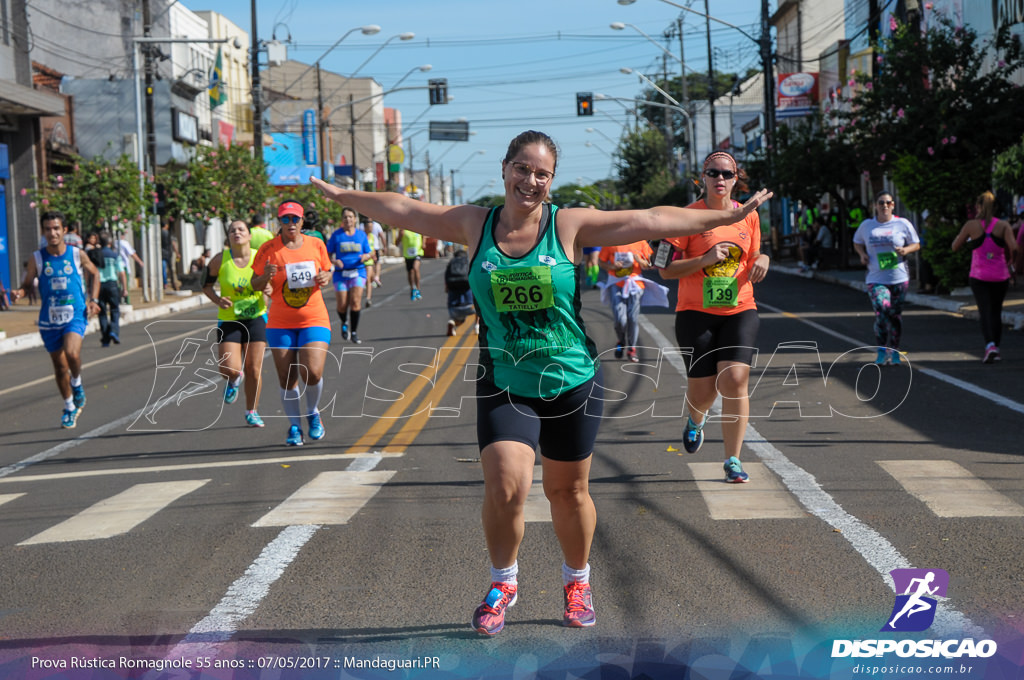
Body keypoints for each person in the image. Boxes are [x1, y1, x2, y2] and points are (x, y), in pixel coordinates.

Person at [312, 130, 771, 637]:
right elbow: (404, 208)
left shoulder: (567, 224)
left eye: (542, 174)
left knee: (567, 492)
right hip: (505, 378)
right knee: (507, 486)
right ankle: (503, 582)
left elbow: (651, 219)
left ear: (551, 182)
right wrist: (343, 195)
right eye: (522, 169)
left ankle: (578, 581)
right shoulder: (475, 223)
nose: (530, 181)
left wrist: (724, 217)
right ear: (505, 169)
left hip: (570, 380)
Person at [657, 151, 770, 485]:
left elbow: (752, 255)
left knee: (735, 380)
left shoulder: (748, 215)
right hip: (695, 314)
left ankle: (732, 459)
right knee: (704, 391)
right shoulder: (686, 217)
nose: (720, 179)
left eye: (726, 173)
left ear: (736, 179)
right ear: (702, 178)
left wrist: (762, 258)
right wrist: (704, 259)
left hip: (740, 308)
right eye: (713, 172)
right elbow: (664, 269)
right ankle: (695, 419)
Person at [250, 200, 333, 446]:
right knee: (287, 377)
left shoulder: (316, 244)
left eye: (294, 219)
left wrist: (326, 276)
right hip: (280, 322)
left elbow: (327, 270)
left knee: (313, 373)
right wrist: (266, 274)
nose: (290, 224)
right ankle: (295, 426)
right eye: (285, 219)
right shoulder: (268, 249)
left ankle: (313, 413)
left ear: (302, 221)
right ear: (279, 222)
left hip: (314, 318)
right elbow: (254, 284)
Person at [12, 211, 101, 428]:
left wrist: (94, 299)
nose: (52, 233)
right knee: (60, 368)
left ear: (63, 230)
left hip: (75, 314)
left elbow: (95, 274)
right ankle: (69, 406)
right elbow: (26, 285)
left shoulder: (77, 254)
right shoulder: (37, 258)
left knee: (72, 353)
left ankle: (77, 384)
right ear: (43, 232)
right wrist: (19, 294)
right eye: (48, 229)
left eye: (56, 228)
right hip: (49, 319)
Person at [202, 219, 269, 427]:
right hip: (230, 319)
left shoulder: (261, 257)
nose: (237, 233)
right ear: (228, 237)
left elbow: (275, 282)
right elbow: (206, 285)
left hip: (256, 316)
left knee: (253, 369)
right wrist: (217, 299)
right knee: (229, 369)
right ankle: (233, 381)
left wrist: (270, 290)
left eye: (241, 230)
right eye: (232, 231)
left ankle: (252, 411)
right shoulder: (220, 260)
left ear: (249, 235)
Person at [852, 191, 921, 365]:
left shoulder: (902, 223)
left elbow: (916, 244)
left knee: (895, 316)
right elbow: (857, 242)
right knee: (883, 309)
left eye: (888, 203)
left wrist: (906, 250)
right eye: (881, 203)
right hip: (876, 278)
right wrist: (861, 254)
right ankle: (882, 351)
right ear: (875, 205)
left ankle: (895, 351)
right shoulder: (867, 225)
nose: (885, 206)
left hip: (898, 277)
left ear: (893, 205)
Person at [952, 191, 1017, 363]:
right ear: (995, 207)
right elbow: (1014, 247)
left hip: (979, 275)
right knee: (996, 311)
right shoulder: (1003, 226)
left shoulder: (971, 225)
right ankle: (996, 346)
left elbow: (955, 246)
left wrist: (967, 239)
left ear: (978, 207)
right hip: (1000, 275)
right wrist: (1011, 262)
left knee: (984, 311)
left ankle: (990, 345)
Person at [598, 240, 665, 363]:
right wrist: (612, 266)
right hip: (616, 283)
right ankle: (621, 341)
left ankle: (632, 348)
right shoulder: (611, 240)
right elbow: (601, 262)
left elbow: (649, 264)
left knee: (633, 318)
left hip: (635, 284)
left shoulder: (640, 242)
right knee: (620, 319)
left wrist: (639, 260)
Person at [326, 206, 372, 344]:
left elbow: (370, 253)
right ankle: (344, 321)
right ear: (342, 220)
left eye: (350, 217)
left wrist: (366, 256)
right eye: (345, 217)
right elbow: (326, 255)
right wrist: (334, 261)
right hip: (341, 274)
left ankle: (354, 332)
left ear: (355, 219)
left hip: (358, 271)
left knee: (356, 302)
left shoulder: (361, 235)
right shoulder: (336, 235)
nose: (348, 219)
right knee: (342, 304)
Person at [94, 231, 127, 347]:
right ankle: (114, 331)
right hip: (112, 285)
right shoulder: (114, 255)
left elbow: (91, 273)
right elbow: (122, 273)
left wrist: (89, 289)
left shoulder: (96, 255)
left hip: (99, 286)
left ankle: (105, 338)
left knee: (102, 312)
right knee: (114, 309)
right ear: (109, 242)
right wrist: (124, 288)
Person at [444, 245, 475, 336]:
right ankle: (477, 325)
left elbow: (446, 281)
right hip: (469, 299)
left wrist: (448, 288)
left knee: (455, 312)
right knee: (479, 306)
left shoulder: (451, 263)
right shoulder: (468, 262)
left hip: (453, 298)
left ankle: (452, 321)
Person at [397, 226, 424, 300]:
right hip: (408, 255)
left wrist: (423, 243)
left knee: (415, 268)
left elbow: (423, 234)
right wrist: (400, 236)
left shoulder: (417, 227)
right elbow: (397, 242)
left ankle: (418, 289)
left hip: (417, 253)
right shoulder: (403, 230)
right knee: (410, 272)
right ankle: (413, 289)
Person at [116, 229, 145, 296]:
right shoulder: (124, 243)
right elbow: (132, 254)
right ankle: (126, 297)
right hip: (124, 266)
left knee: (119, 285)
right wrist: (140, 262)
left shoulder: (114, 243)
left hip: (116, 267)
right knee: (125, 284)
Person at [161, 221, 181, 291]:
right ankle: (174, 284)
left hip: (161, 254)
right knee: (172, 269)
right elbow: (173, 244)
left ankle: (165, 283)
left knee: (163, 269)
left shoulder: (159, 233)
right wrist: (177, 253)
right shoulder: (168, 233)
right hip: (169, 254)